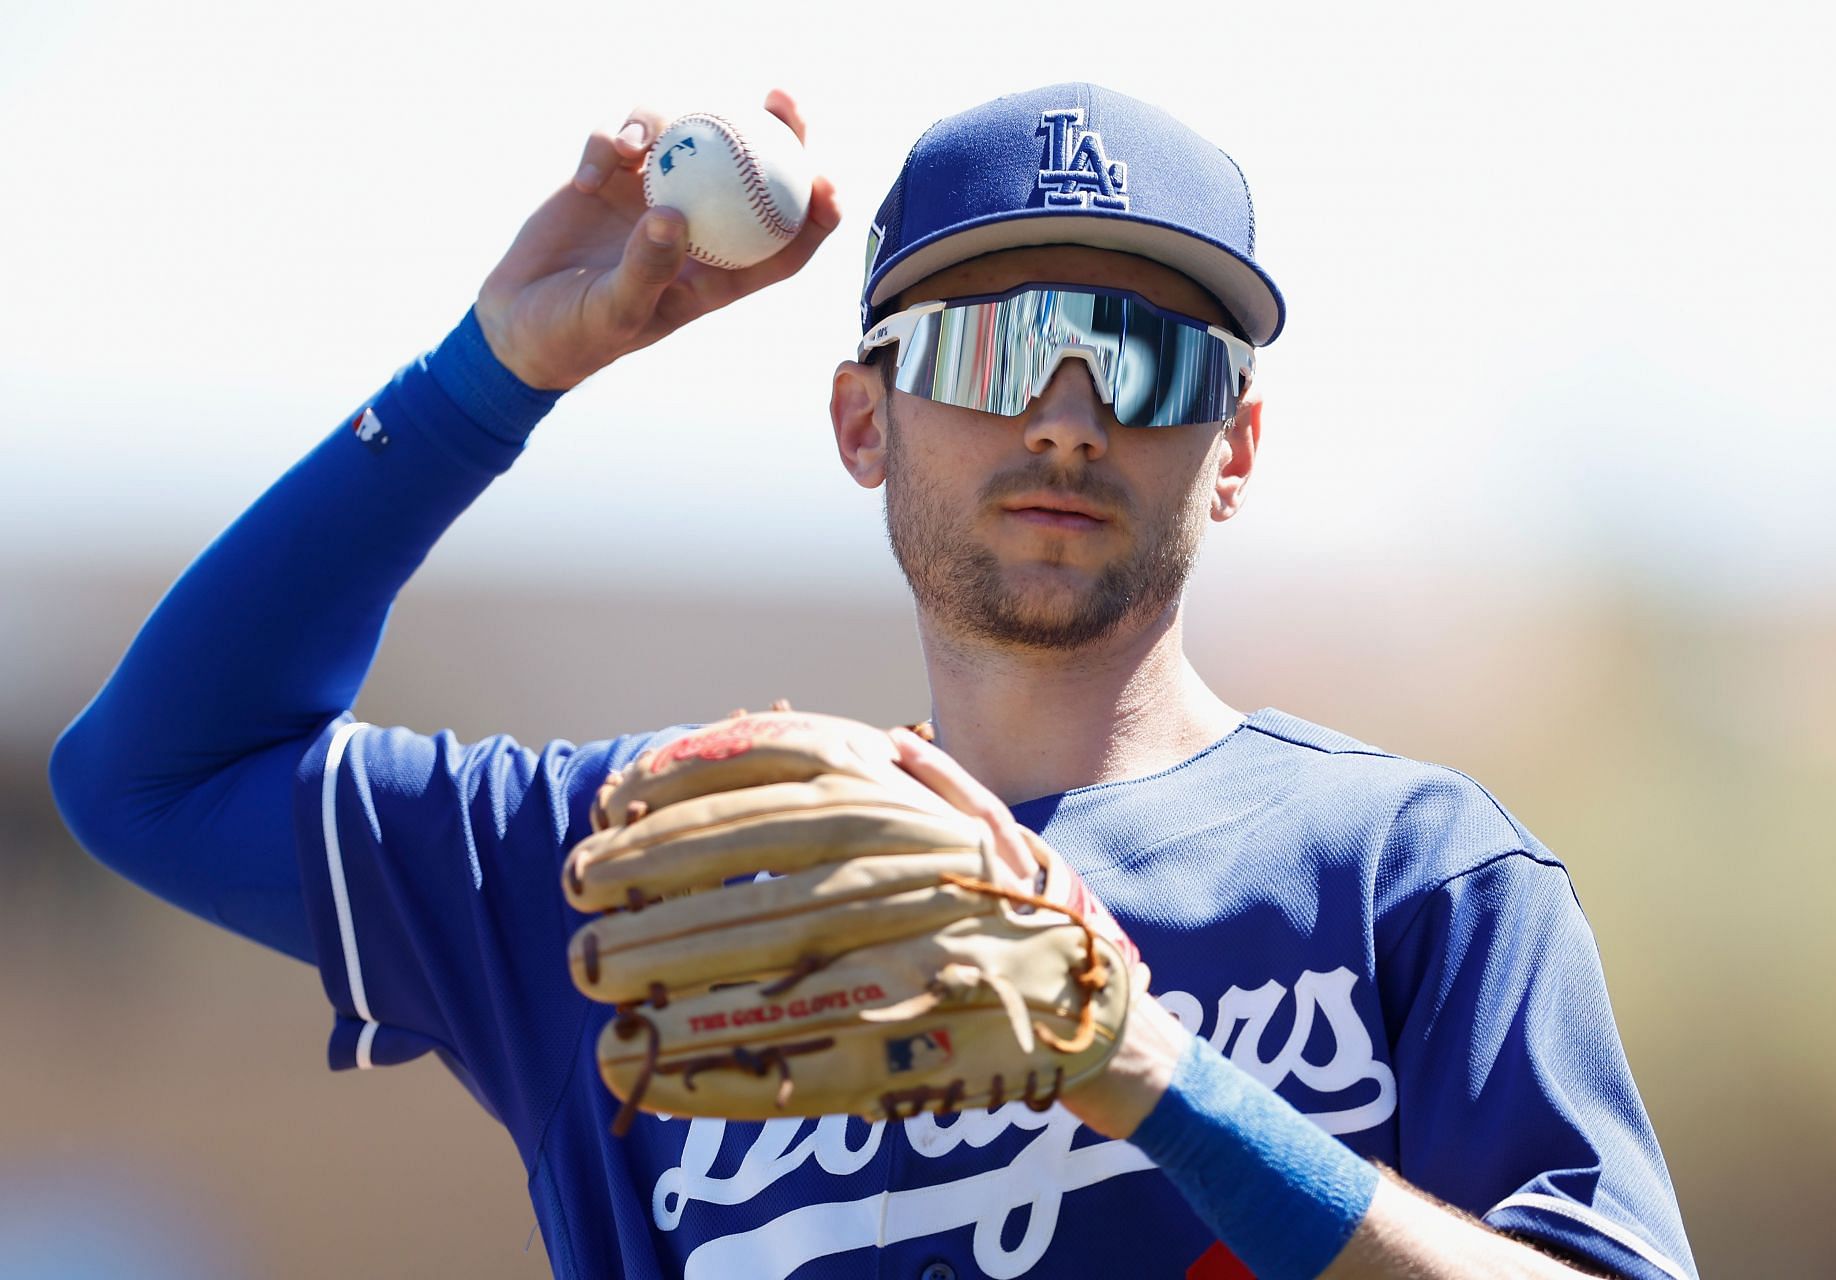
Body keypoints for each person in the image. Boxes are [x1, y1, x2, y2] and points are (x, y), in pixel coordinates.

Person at [49, 83, 1697, 1280]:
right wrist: (497, 374)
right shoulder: (658, 857)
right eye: (990, 348)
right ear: (862, 421)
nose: (1066, 416)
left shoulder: (1415, 873)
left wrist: (1159, 1084)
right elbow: (149, 776)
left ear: (1235, 447)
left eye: (1146, 357)